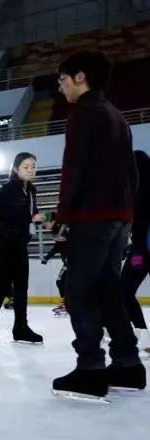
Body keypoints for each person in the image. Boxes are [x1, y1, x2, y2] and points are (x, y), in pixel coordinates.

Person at [51, 50, 144, 399]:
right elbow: (132, 175)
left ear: (80, 77)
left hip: (92, 217)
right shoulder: (118, 117)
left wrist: (62, 216)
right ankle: (128, 363)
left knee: (79, 290)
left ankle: (90, 367)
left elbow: (74, 169)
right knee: (108, 289)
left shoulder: (84, 115)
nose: (60, 87)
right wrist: (127, 214)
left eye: (62, 79)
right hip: (119, 218)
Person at [0, 153, 45, 347]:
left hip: (19, 244)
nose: (30, 170)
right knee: (3, 287)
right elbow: (3, 214)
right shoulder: (8, 189)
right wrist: (30, 218)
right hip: (4, 244)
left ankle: (21, 328)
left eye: (33, 166)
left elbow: (31, 214)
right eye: (26, 166)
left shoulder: (31, 190)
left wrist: (42, 221)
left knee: (22, 289)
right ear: (16, 169)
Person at [119, 150, 150, 354]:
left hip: (142, 252)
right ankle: (143, 335)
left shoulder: (137, 193)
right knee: (124, 291)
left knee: (124, 290)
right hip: (140, 250)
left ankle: (143, 335)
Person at [41, 222, 69, 317]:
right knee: (61, 282)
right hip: (68, 265)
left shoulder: (71, 240)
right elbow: (54, 250)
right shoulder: (59, 244)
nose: (55, 238)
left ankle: (68, 304)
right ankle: (66, 303)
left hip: (74, 265)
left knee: (63, 282)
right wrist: (46, 258)